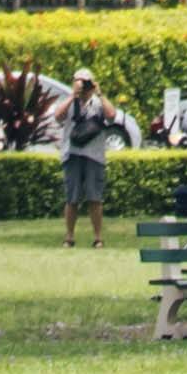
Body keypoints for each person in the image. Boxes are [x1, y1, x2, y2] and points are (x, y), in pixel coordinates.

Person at [55, 68, 130, 249]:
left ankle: (97, 237)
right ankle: (69, 236)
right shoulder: (70, 101)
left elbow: (112, 116)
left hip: (94, 156)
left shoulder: (98, 103)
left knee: (94, 198)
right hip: (72, 154)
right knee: (71, 198)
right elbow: (58, 116)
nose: (83, 85)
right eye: (79, 81)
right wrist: (73, 96)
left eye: (86, 82)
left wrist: (100, 93)